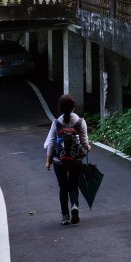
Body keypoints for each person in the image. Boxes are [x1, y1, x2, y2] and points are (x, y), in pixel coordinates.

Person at [44, 94, 92, 225]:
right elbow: (84, 141)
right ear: (74, 107)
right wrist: (88, 147)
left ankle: (65, 216)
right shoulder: (80, 121)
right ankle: (74, 206)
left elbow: (52, 143)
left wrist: (48, 161)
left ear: (60, 108)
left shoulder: (56, 123)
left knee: (63, 187)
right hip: (76, 160)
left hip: (59, 161)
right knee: (73, 185)